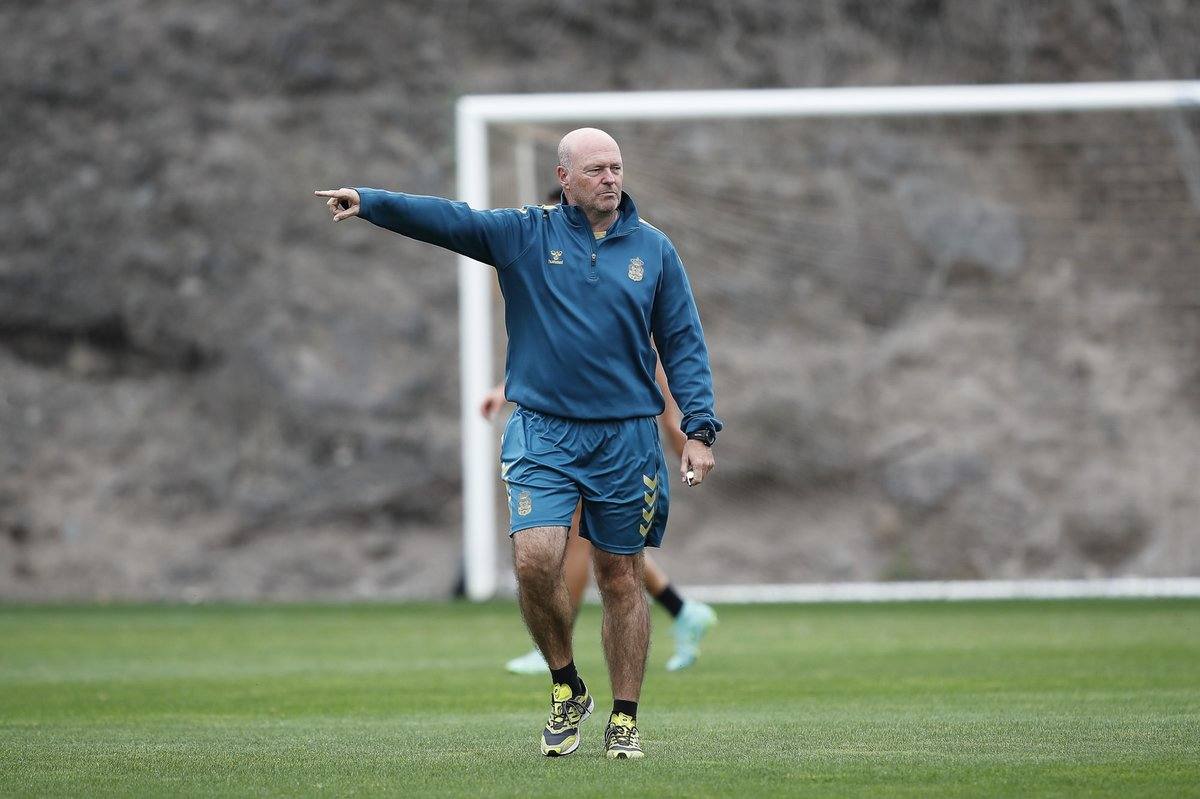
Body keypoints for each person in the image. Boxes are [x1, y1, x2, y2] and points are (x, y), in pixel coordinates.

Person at [315, 127, 721, 760]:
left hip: (625, 438)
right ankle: (565, 685)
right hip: (542, 430)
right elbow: (450, 220)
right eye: (595, 169)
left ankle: (624, 718)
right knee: (535, 559)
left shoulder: (655, 251)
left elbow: (685, 344)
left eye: (615, 167)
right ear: (564, 178)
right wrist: (370, 201)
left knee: (620, 577)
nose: (610, 178)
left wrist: (698, 430)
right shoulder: (525, 235)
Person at [481, 357, 717, 675]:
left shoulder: (636, 317)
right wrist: (507, 388)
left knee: (594, 538)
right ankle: (682, 610)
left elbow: (656, 361)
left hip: (617, 433)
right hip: (582, 427)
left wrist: (681, 429)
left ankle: (553, 647)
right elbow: (569, 356)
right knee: (603, 542)